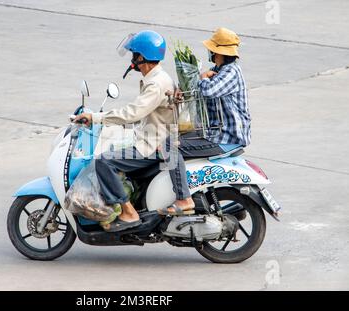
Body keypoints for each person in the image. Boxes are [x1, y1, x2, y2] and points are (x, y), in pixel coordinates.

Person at [74, 30, 192, 232]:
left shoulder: (155, 85)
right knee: (115, 147)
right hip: (152, 137)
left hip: (152, 145)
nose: (132, 59)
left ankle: (128, 211)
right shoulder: (161, 77)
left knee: (104, 160)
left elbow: (133, 113)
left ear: (142, 57)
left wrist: (96, 117)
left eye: (134, 55)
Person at [158, 27, 251, 216]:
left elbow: (208, 90)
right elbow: (200, 90)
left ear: (218, 52)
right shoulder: (219, 69)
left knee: (170, 146)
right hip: (215, 132)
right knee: (174, 137)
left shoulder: (230, 72)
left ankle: (183, 198)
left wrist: (200, 77)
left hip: (227, 137)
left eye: (212, 50)